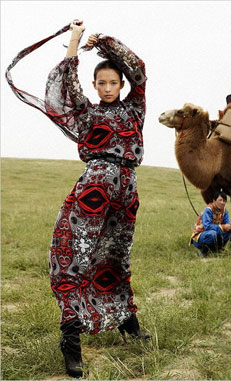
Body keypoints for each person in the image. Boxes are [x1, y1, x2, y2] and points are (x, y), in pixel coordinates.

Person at [6, 20, 148, 378]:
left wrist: (109, 45)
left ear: (121, 84)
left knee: (116, 257)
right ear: (95, 85)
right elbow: (67, 83)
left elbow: (140, 69)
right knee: (73, 256)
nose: (108, 87)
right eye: (102, 83)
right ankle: (71, 341)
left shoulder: (135, 109)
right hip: (94, 191)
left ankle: (127, 323)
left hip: (126, 191)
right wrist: (75, 39)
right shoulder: (88, 114)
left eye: (114, 82)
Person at [191, 191, 231, 256]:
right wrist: (223, 227)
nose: (222, 203)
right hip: (200, 236)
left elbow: (226, 223)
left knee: (230, 230)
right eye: (220, 200)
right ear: (214, 201)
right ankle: (203, 252)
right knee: (212, 233)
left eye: (224, 201)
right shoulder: (208, 210)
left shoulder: (224, 211)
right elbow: (207, 227)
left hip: (214, 235)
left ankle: (217, 249)